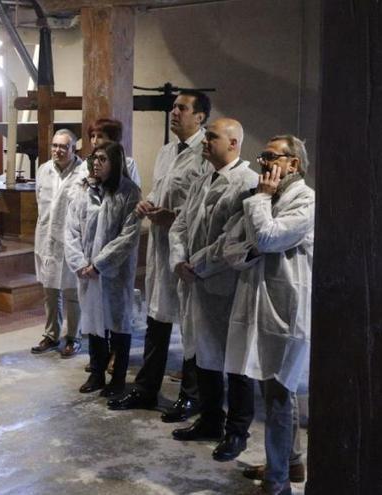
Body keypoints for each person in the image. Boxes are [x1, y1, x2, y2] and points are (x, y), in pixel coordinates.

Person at [108, 90, 210, 422]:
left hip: (189, 248)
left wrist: (176, 217)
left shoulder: (206, 154)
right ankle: (146, 388)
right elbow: (159, 188)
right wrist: (146, 202)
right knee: (157, 317)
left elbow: (207, 205)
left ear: (200, 117)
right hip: (161, 245)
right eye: (174, 107)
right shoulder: (167, 151)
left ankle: (192, 396)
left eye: (182, 108)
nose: (174, 112)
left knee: (192, 325)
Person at [223, 135, 314, 495]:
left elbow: (266, 238)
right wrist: (252, 246)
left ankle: (277, 483)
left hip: (285, 311)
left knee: (278, 395)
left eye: (272, 157)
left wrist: (260, 202)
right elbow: (232, 247)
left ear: (294, 164)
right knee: (276, 390)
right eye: (262, 157)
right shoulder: (261, 199)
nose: (263, 164)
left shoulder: (305, 200)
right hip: (258, 307)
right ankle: (289, 463)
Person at [166, 118, 259, 462]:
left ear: (233, 144)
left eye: (212, 137)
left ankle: (237, 432)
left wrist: (197, 265)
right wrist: (179, 260)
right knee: (203, 355)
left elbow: (234, 239)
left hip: (228, 286)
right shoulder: (202, 179)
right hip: (196, 283)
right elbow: (181, 224)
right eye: (205, 137)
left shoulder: (247, 183)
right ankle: (209, 420)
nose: (205, 141)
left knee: (236, 363)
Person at [64, 142, 141, 397]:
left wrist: (99, 265)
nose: (96, 163)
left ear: (116, 163)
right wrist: (79, 263)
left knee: (118, 325)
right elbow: (71, 229)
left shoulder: (129, 193)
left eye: (103, 159)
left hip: (113, 273)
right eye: (94, 158)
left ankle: (117, 378)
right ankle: (96, 373)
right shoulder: (85, 191)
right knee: (94, 323)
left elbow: (128, 236)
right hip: (86, 270)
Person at [30, 129, 87, 358]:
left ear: (74, 148)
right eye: (55, 145)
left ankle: (74, 336)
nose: (58, 150)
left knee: (72, 292)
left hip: (71, 241)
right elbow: (39, 201)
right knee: (50, 290)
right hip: (46, 238)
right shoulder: (44, 170)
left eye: (63, 146)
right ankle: (51, 334)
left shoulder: (83, 172)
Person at [88, 118, 142, 187]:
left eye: (100, 136)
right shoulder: (85, 164)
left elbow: (135, 189)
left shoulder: (128, 163)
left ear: (112, 139)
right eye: (92, 136)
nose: (94, 141)